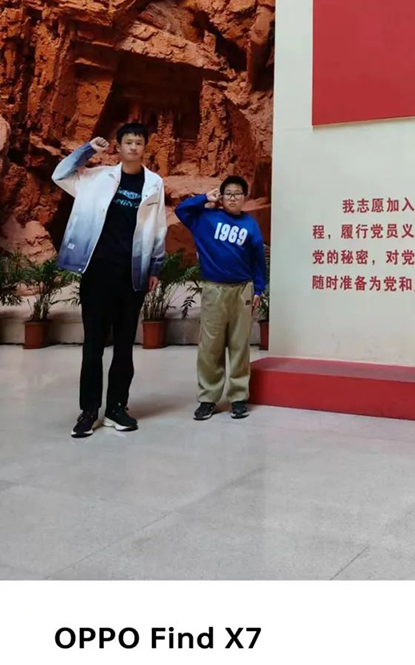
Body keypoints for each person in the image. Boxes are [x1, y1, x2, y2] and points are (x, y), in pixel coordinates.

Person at [51, 122, 166, 438]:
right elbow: (60, 174)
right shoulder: (96, 177)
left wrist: (155, 267)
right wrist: (88, 150)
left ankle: (117, 407)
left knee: (125, 345)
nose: (133, 147)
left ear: (145, 148)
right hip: (97, 272)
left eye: (138, 142)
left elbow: (158, 227)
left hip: (132, 274)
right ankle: (89, 410)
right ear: (118, 146)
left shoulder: (154, 183)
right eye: (128, 142)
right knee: (93, 343)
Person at [175, 176, 266, 421]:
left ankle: (238, 398)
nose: (233, 198)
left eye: (238, 194)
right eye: (229, 194)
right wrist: (205, 198)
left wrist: (259, 289)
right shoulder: (205, 218)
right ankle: (208, 398)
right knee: (210, 346)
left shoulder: (250, 224)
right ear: (221, 197)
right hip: (214, 289)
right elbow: (181, 210)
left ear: (245, 198)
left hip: (242, 290)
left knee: (239, 345)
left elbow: (258, 259)